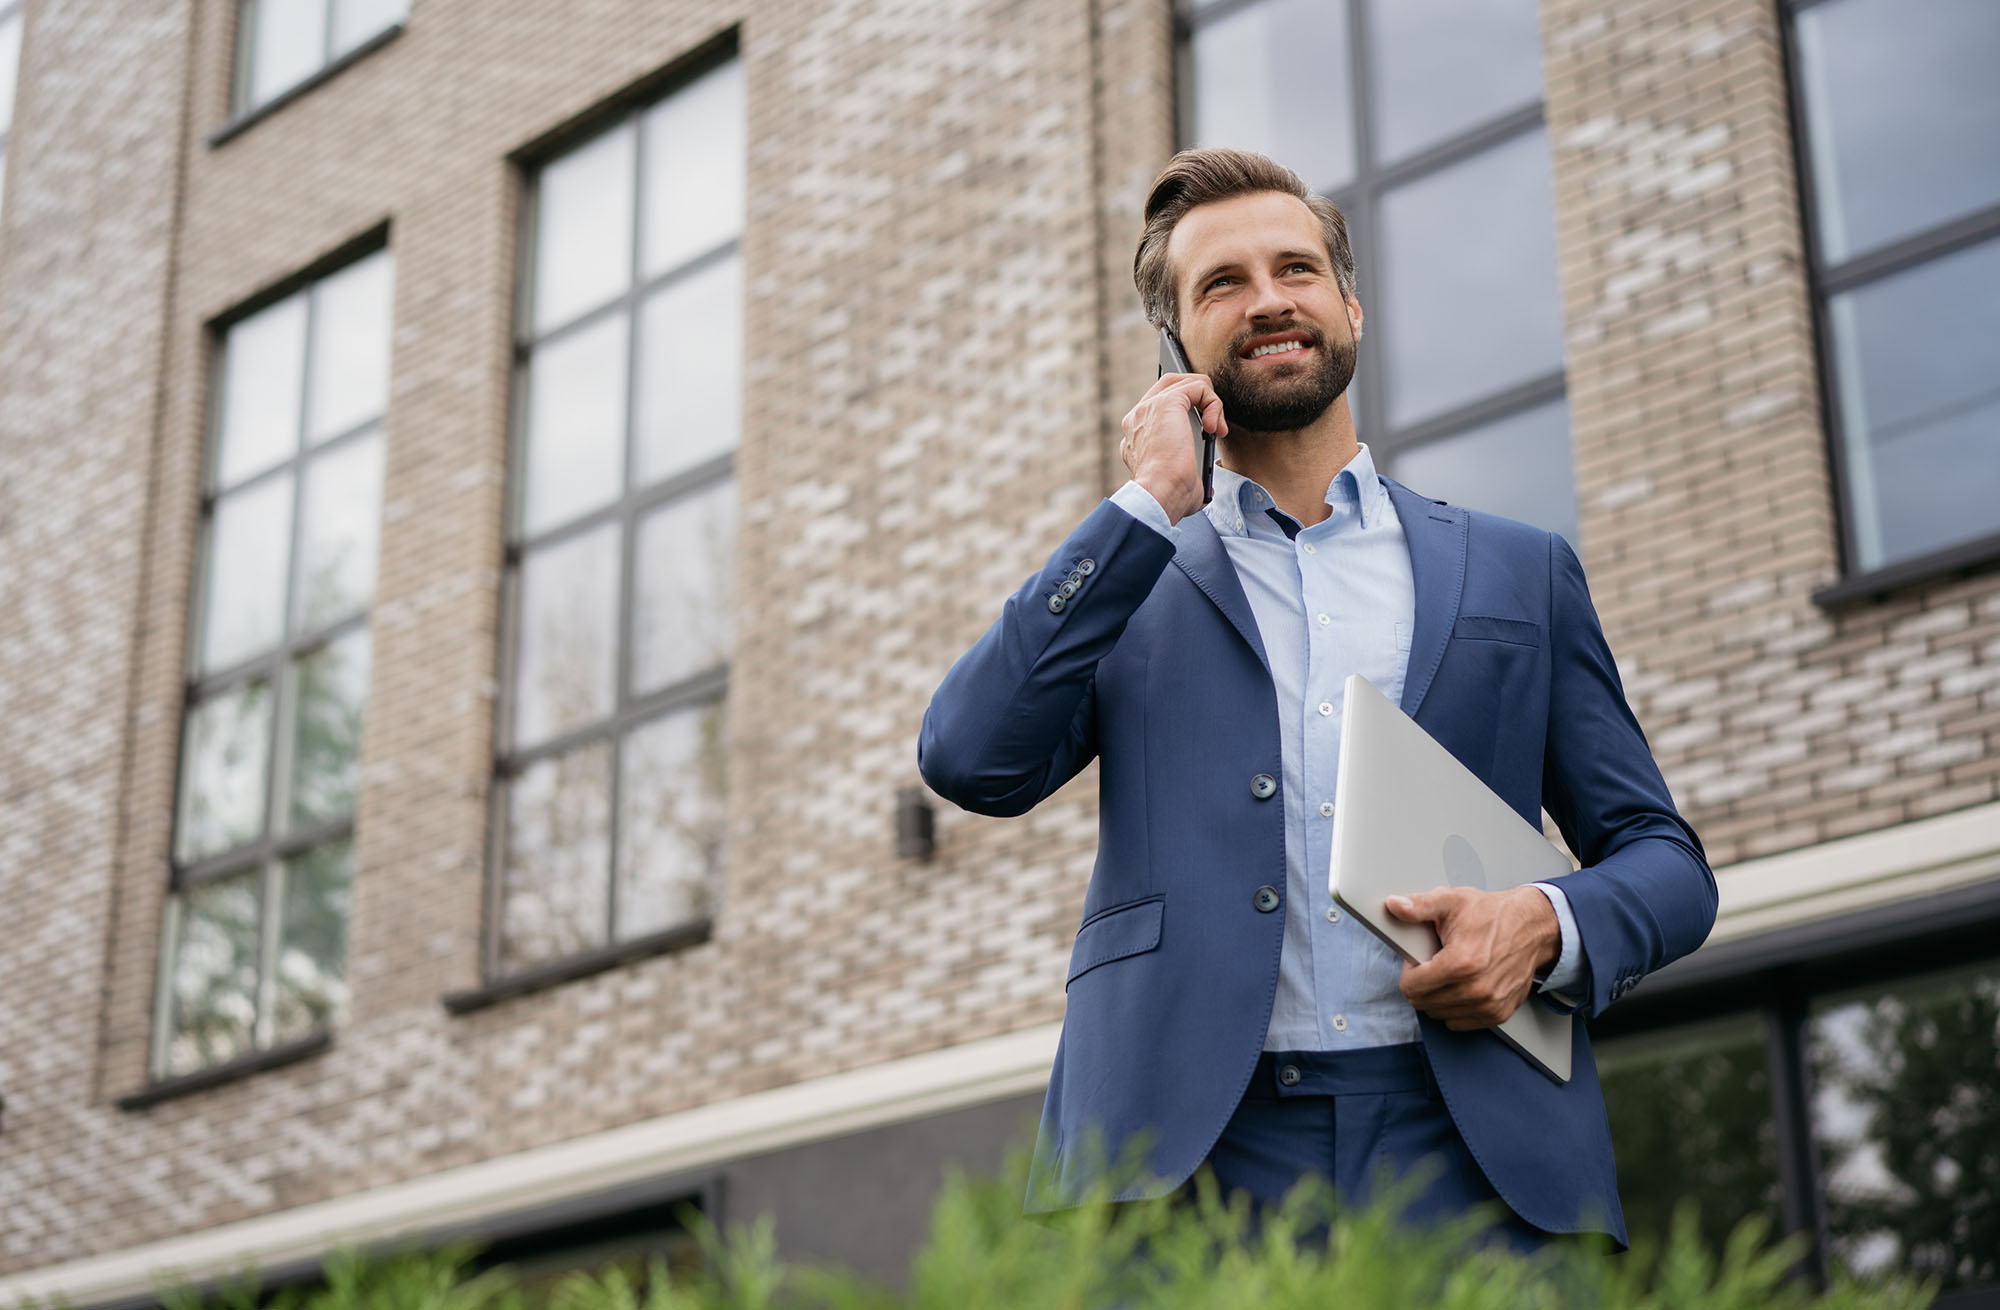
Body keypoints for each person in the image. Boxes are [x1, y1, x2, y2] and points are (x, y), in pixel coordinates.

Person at [917, 147, 1716, 1248]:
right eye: (1220, 283)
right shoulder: (1128, 580)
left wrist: (1540, 922)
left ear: (1346, 303)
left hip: (1479, 1153)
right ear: (1176, 346)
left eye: (1293, 268)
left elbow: (1664, 860)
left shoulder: (1515, 571)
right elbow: (968, 758)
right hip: (1181, 1165)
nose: (1267, 301)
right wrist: (1147, 505)